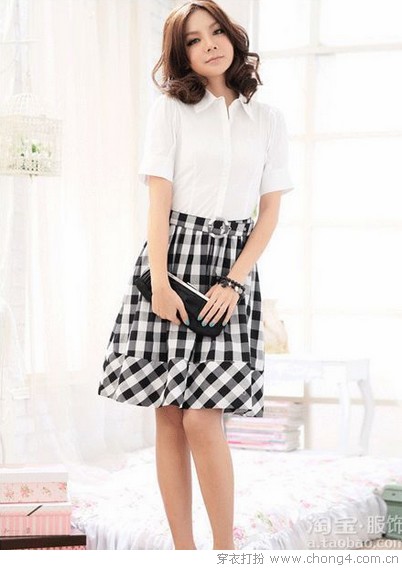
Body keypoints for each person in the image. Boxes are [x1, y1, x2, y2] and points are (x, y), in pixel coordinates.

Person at [98, 0, 294, 551]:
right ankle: (185, 553)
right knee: (169, 415)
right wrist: (159, 282)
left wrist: (234, 281)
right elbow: (158, 204)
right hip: (172, 260)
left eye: (216, 32)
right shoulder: (170, 111)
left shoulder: (268, 119)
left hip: (232, 269)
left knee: (204, 418)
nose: (209, 44)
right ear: (181, 54)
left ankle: (224, 550)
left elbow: (269, 213)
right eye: (193, 39)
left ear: (232, 37)